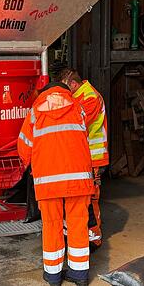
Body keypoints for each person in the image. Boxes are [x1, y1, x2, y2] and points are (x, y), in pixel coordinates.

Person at [18, 82, 94, 286]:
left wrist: (26, 165)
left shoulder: (35, 111)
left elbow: (24, 145)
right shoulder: (78, 108)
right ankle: (79, 274)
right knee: (78, 224)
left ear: (45, 93)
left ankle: (53, 275)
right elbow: (83, 136)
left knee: (52, 226)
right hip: (78, 180)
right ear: (66, 92)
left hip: (48, 182)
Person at [56, 67, 108, 249]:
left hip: (93, 158)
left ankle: (94, 238)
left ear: (73, 84)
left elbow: (77, 124)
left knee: (90, 200)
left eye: (65, 87)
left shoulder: (89, 98)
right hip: (83, 157)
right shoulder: (80, 96)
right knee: (81, 200)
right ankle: (81, 234)